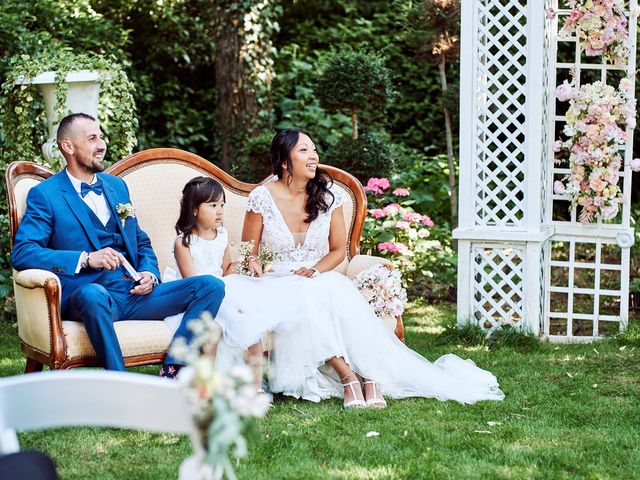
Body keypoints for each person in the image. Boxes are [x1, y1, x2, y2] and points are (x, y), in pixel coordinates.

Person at [241, 129, 505, 407]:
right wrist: (256, 264)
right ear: (284, 161)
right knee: (306, 298)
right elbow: (250, 251)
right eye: (304, 150)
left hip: (317, 275)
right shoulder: (262, 197)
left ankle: (369, 377)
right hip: (279, 281)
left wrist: (314, 271)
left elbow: (337, 251)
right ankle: (349, 378)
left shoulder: (329, 196)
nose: (314, 155)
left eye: (314, 149)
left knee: (325, 293)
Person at [11, 113, 225, 377]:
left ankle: (173, 368)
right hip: (90, 295)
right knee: (93, 293)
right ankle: (120, 383)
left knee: (210, 286)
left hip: (134, 293)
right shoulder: (46, 194)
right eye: (92, 138)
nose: (101, 144)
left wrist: (150, 273)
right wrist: (85, 258)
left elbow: (141, 241)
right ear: (68, 147)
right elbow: (23, 252)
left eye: (101, 137)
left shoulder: (116, 186)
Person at [162, 176, 291, 389]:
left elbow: (226, 269)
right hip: (200, 297)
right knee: (212, 331)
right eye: (213, 206)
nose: (220, 211)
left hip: (224, 287)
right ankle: (206, 387)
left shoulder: (221, 235)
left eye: (222, 205)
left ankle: (256, 387)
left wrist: (246, 266)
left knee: (251, 326)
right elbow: (193, 284)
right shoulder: (183, 243)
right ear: (194, 209)